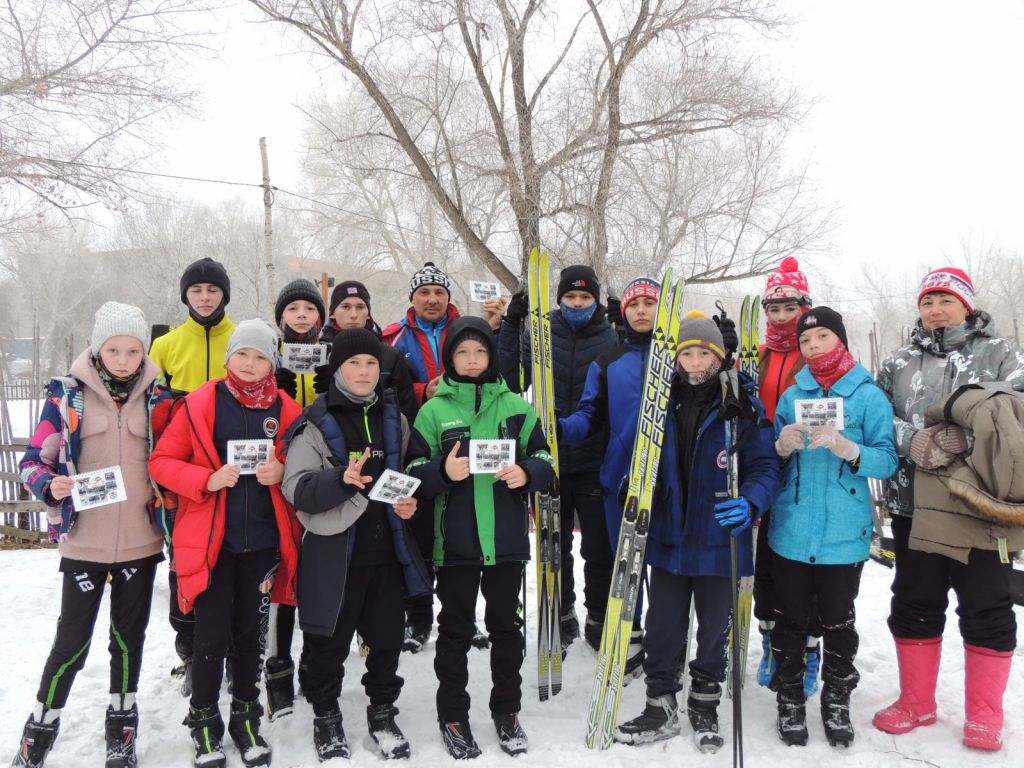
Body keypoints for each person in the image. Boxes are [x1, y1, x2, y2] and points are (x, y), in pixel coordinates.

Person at [12, 303, 174, 768]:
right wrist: (50, 484)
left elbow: (173, 458)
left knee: (128, 639)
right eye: (114, 349)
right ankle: (39, 728)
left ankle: (122, 725)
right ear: (98, 348)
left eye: (133, 350)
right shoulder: (67, 397)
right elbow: (31, 464)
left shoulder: (158, 399)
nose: (123, 359)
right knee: (73, 640)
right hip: (85, 543)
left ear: (143, 352)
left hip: (141, 544)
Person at [873, 267, 1024, 751]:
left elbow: (1020, 412)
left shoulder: (1003, 356)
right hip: (913, 504)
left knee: (988, 607)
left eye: (945, 300)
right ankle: (916, 701)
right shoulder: (898, 362)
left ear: (965, 303)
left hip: (982, 508)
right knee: (914, 602)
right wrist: (910, 438)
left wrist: (972, 435)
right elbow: (872, 416)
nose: (935, 310)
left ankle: (984, 714)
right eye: (927, 301)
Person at [615, 311, 779, 752]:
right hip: (668, 534)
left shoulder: (741, 401)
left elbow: (765, 465)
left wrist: (751, 501)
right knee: (663, 625)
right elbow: (634, 457)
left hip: (718, 536)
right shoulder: (659, 400)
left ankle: (704, 702)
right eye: (685, 352)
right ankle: (660, 703)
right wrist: (628, 490)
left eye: (702, 352)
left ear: (718, 355)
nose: (693, 361)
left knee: (712, 630)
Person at [149, 320, 302, 768]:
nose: (251, 365)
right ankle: (203, 719)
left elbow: (307, 460)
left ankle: (245, 714)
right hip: (212, 543)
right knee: (211, 636)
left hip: (263, 542)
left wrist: (283, 470)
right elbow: (161, 462)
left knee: (251, 637)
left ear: (272, 360)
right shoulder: (201, 403)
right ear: (228, 357)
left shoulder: (286, 408)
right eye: (242, 355)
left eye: (260, 356)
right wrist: (206, 478)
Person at [405, 317, 555, 759]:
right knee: (453, 632)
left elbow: (545, 456)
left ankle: (507, 712)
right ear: (450, 358)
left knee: (506, 630)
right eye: (462, 353)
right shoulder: (433, 411)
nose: (472, 361)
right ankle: (452, 715)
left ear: (492, 357)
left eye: (480, 353)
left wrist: (528, 472)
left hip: (506, 546)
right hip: (455, 547)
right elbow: (413, 471)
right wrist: (441, 473)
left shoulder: (516, 407)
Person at [281, 328, 431, 760]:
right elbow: (297, 488)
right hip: (333, 551)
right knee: (327, 641)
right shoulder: (314, 421)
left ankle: (382, 713)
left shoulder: (394, 417)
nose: (364, 372)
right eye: (354, 364)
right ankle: (326, 717)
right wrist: (340, 479)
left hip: (385, 551)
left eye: (370, 364)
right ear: (338, 369)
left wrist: (409, 503)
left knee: (385, 640)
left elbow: (414, 471)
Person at [770, 306, 897, 747]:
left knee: (838, 622)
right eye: (805, 341)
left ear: (839, 340)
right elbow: (770, 462)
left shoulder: (866, 394)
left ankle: (836, 697)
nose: (813, 346)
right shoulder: (793, 395)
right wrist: (781, 446)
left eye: (821, 337)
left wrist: (851, 449)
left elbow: (888, 459)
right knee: (789, 621)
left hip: (843, 535)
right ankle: (789, 699)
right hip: (792, 528)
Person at [497, 264, 618, 651]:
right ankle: (562, 610)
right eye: (570, 297)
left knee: (598, 545)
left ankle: (598, 614)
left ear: (595, 300)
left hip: (594, 458)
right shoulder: (542, 331)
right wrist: (511, 328)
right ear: (560, 299)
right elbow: (512, 380)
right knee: (554, 541)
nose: (577, 304)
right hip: (547, 456)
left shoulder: (610, 336)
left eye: (585, 298)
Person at [383, 264, 498, 652]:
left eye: (438, 292)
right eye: (424, 292)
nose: (432, 299)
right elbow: (387, 388)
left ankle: (463, 616)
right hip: (412, 441)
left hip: (463, 442)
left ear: (448, 297)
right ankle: (417, 618)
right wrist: (421, 392)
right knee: (416, 533)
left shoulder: (464, 330)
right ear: (412, 298)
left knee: (459, 537)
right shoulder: (394, 337)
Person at [557, 276, 664, 677]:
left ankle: (666, 641)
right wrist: (561, 428)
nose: (640, 311)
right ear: (623, 312)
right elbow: (590, 414)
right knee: (626, 563)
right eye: (634, 304)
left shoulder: (679, 357)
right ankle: (629, 637)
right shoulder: (609, 361)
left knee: (667, 569)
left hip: (669, 481)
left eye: (649, 304)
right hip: (620, 479)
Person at [148, 256, 236, 694]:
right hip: (182, 473)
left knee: (230, 560)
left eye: (213, 290)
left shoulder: (239, 337)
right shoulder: (165, 344)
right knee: (184, 561)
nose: (205, 298)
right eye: (197, 291)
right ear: (185, 295)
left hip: (231, 471)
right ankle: (190, 650)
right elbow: (149, 413)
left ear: (224, 295)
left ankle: (235, 652)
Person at [751, 256, 822, 695]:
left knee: (803, 567)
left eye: (788, 308)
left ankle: (810, 646)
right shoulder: (759, 355)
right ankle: (772, 641)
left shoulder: (814, 351)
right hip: (764, 466)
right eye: (773, 309)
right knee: (767, 568)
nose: (780, 317)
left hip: (806, 470)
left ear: (804, 307)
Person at [320, 280, 418, 425]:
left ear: (368, 313)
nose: (353, 314)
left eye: (360, 307)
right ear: (333, 313)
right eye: (345, 307)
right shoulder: (319, 355)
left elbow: (406, 413)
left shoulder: (390, 357)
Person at [273, 278, 325, 409]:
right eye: (292, 308)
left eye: (310, 308)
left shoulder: (332, 356)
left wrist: (336, 391)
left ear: (319, 316)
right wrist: (271, 390)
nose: (302, 314)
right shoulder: (270, 355)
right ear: (281, 316)